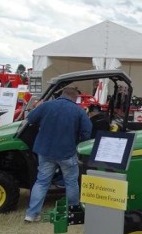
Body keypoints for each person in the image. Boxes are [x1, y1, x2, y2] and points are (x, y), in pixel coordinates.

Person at [24, 86, 92, 223]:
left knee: (42, 182)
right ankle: (72, 212)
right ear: (75, 97)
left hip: (45, 151)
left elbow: (30, 119)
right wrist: (78, 142)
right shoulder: (79, 111)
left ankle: (31, 214)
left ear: (62, 94)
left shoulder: (46, 106)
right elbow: (87, 131)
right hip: (67, 152)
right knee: (71, 182)